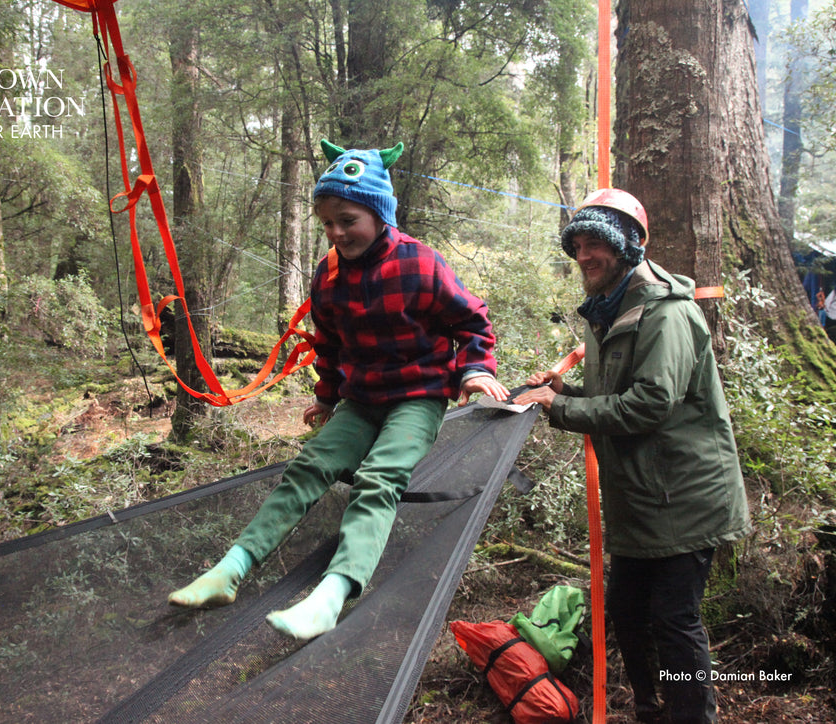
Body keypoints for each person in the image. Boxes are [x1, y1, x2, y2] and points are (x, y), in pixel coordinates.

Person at [168, 139, 510, 640]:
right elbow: (328, 342)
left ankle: (330, 596)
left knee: (379, 476)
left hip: (419, 395)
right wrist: (326, 396)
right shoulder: (328, 274)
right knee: (309, 466)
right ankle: (231, 569)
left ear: (378, 212)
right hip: (362, 398)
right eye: (328, 222)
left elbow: (472, 321)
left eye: (348, 219)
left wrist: (475, 369)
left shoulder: (421, 262)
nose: (337, 232)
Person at [515, 189, 751, 724]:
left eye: (595, 242)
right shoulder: (609, 310)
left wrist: (560, 408)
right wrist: (562, 390)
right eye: (576, 244)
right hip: (641, 501)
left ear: (628, 245)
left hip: (684, 500)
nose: (583, 256)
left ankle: (692, 716)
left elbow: (649, 405)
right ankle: (650, 710)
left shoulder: (666, 314)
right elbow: (614, 393)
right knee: (625, 612)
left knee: (673, 620)